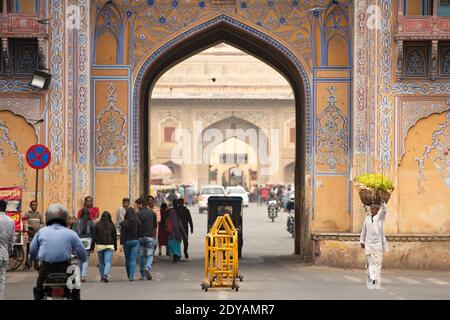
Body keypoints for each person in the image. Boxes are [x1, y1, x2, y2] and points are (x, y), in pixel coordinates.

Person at [30, 204, 87, 300]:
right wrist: (82, 258)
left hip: (46, 268)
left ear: (48, 217)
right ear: (65, 218)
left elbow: (32, 250)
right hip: (65, 268)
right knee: (75, 288)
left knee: (39, 287)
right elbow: (82, 253)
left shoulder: (41, 232)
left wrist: (32, 259)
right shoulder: (71, 233)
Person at [360, 202, 388, 290]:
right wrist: (362, 241)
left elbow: (384, 211)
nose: (371, 210)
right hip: (368, 244)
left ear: (377, 210)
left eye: (373, 209)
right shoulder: (367, 219)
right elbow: (363, 231)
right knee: (370, 262)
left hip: (378, 244)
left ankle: (375, 278)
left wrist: (383, 204)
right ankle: (372, 277)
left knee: (377, 262)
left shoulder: (380, 218)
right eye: (371, 209)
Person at [91, 211, 117, 282]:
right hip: (110, 245)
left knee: (101, 262)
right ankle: (106, 275)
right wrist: (115, 247)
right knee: (108, 261)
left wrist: (92, 248)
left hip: (100, 245)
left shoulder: (97, 225)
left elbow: (94, 237)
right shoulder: (112, 225)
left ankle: (102, 277)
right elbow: (114, 237)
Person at [136, 197, 157, 280]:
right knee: (150, 254)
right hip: (150, 237)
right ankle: (147, 267)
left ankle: (143, 275)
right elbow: (155, 226)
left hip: (140, 237)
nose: (137, 206)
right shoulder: (152, 213)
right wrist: (154, 236)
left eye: (137, 204)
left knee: (141, 256)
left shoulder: (138, 214)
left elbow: (136, 226)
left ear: (141, 204)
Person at [73, 207, 94, 282]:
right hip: (87, 243)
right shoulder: (91, 223)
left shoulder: (76, 223)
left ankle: (79, 275)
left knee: (79, 259)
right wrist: (92, 246)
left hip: (78, 242)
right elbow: (93, 234)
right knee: (85, 260)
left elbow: (73, 233)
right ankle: (83, 276)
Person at [0, 200, 15, 300]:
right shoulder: (10, 221)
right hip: (4, 253)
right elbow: (12, 240)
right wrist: (8, 250)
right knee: (1, 279)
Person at [120, 207, 140, 281]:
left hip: (126, 242)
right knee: (133, 260)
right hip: (135, 241)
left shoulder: (124, 223)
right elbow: (140, 232)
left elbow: (122, 234)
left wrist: (121, 243)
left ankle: (129, 275)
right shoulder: (137, 222)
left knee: (128, 259)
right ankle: (132, 276)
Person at [23, 200, 44, 270]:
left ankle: (36, 264)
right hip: (30, 233)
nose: (34, 206)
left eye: (36, 205)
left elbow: (43, 223)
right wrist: (29, 227)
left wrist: (39, 227)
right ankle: (28, 264)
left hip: (37, 234)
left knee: (37, 249)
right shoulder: (27, 214)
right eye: (33, 205)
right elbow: (24, 222)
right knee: (30, 249)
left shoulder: (39, 214)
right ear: (30, 206)